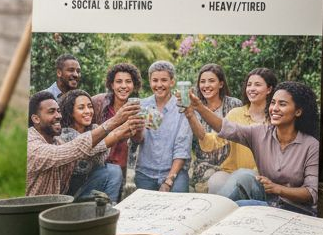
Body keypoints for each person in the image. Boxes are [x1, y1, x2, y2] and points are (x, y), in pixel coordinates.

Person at [190, 81, 319, 214]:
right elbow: (224, 128)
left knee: (236, 209)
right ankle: (206, 214)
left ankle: (207, 215)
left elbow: (311, 192)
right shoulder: (260, 133)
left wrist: (277, 188)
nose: (274, 108)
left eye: (282, 104)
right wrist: (199, 107)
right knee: (241, 180)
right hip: (269, 202)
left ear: (298, 111)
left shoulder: (311, 146)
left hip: (297, 210)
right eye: (273, 102)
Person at [26, 91, 139, 196]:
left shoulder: (56, 141)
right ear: (36, 119)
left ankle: (109, 209)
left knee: (112, 170)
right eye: (51, 112)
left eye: (58, 111)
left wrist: (122, 130)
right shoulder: (31, 144)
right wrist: (114, 122)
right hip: (30, 211)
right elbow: (70, 150)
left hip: (55, 205)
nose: (58, 116)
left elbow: (90, 151)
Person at [185, 67, 277, 195]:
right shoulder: (235, 113)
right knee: (216, 182)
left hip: (263, 175)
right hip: (231, 171)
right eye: (249, 85)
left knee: (243, 179)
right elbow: (211, 142)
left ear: (269, 89)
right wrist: (191, 115)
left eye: (257, 84)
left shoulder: (275, 118)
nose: (251, 88)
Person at [181, 64, 243, 193]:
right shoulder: (194, 107)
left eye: (211, 81)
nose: (206, 85)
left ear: (221, 84)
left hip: (232, 166)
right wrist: (190, 114)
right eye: (202, 82)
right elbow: (200, 136)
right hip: (204, 166)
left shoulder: (234, 104)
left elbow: (239, 135)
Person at [133, 61, 192, 192]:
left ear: (172, 82)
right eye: (155, 80)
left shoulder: (182, 107)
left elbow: (182, 148)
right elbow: (138, 140)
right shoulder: (142, 105)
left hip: (175, 172)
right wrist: (138, 129)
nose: (159, 85)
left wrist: (169, 181)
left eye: (164, 80)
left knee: (177, 207)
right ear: (150, 81)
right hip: (145, 173)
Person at [89, 63, 145, 196]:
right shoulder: (98, 102)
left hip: (120, 166)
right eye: (119, 82)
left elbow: (137, 140)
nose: (124, 86)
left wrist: (138, 126)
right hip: (95, 165)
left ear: (134, 85)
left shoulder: (136, 108)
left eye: (128, 82)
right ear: (112, 84)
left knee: (112, 204)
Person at [58, 89, 124, 201]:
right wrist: (118, 127)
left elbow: (100, 159)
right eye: (81, 108)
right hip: (71, 191)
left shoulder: (94, 128)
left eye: (90, 106)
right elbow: (80, 163)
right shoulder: (64, 134)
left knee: (113, 169)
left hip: (89, 183)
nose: (88, 111)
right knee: (112, 170)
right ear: (70, 112)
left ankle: (110, 206)